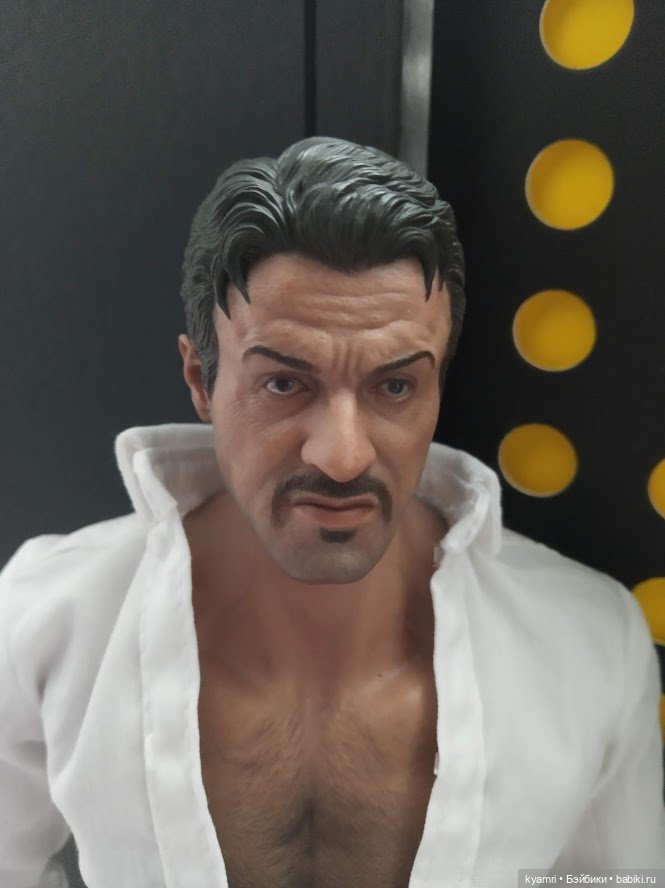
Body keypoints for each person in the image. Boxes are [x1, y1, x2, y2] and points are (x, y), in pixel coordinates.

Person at [0, 137, 663, 888]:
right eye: (284, 385)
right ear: (200, 380)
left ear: (437, 388)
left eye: (394, 387)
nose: (343, 456)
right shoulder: (47, 621)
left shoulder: (589, 645)